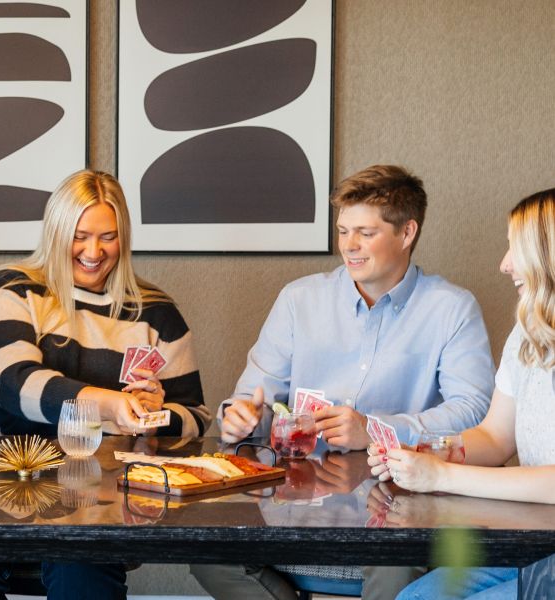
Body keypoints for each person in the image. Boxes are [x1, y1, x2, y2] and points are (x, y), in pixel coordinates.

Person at [191, 165, 495, 600]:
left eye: (365, 233)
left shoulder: (452, 308)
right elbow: (251, 400)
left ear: (407, 233)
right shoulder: (299, 300)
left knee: (394, 564)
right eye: (342, 230)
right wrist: (240, 416)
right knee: (202, 548)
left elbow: (474, 412)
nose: (349, 246)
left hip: (397, 500)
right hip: (294, 500)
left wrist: (375, 429)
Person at [0, 169, 210, 599]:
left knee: (79, 558)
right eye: (80, 235)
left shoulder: (157, 313)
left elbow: (196, 419)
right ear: (56, 233)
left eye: (108, 237)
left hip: (103, 492)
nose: (94, 251)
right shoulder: (11, 289)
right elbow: (8, 381)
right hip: (6, 481)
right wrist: (110, 405)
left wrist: (156, 415)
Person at [371, 188, 555, 600]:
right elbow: (494, 436)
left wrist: (441, 475)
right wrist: (423, 449)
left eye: (515, 248)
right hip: (537, 543)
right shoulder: (528, 335)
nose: (504, 265)